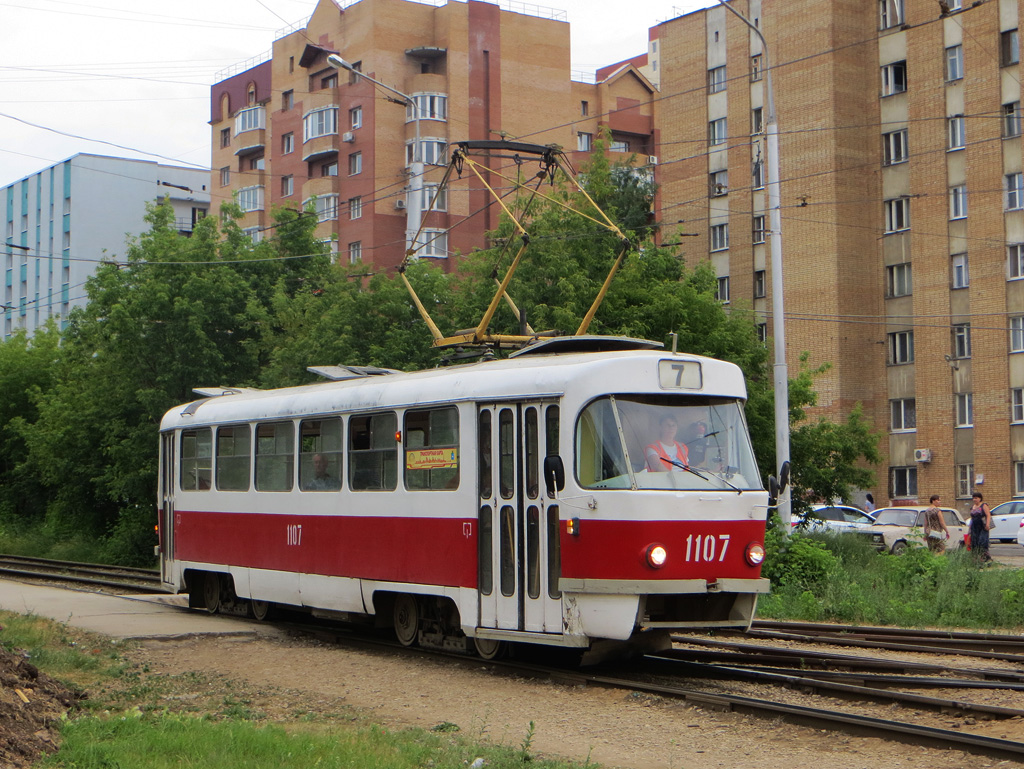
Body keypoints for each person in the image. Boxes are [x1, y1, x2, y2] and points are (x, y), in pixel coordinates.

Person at [969, 492, 993, 563]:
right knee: (974, 542)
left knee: (982, 542)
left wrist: (987, 525)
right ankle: (976, 559)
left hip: (982, 526)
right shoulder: (972, 507)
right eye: (973, 498)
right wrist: (970, 528)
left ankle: (986, 558)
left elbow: (988, 515)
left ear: (980, 498)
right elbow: (972, 518)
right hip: (974, 527)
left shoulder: (984, 505)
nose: (974, 500)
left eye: (976, 498)